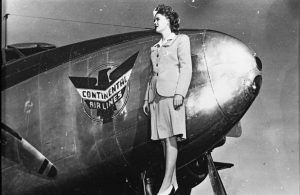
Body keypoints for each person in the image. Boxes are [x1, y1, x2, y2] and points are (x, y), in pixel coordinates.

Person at [143, 4, 192, 195]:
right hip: (156, 97)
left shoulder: (181, 40)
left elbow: (186, 68)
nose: (154, 22)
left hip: (172, 95)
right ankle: (174, 183)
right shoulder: (154, 48)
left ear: (169, 20)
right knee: (164, 140)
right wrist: (147, 99)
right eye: (154, 19)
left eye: (158, 18)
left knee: (171, 139)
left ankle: (166, 185)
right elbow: (152, 75)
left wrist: (180, 92)